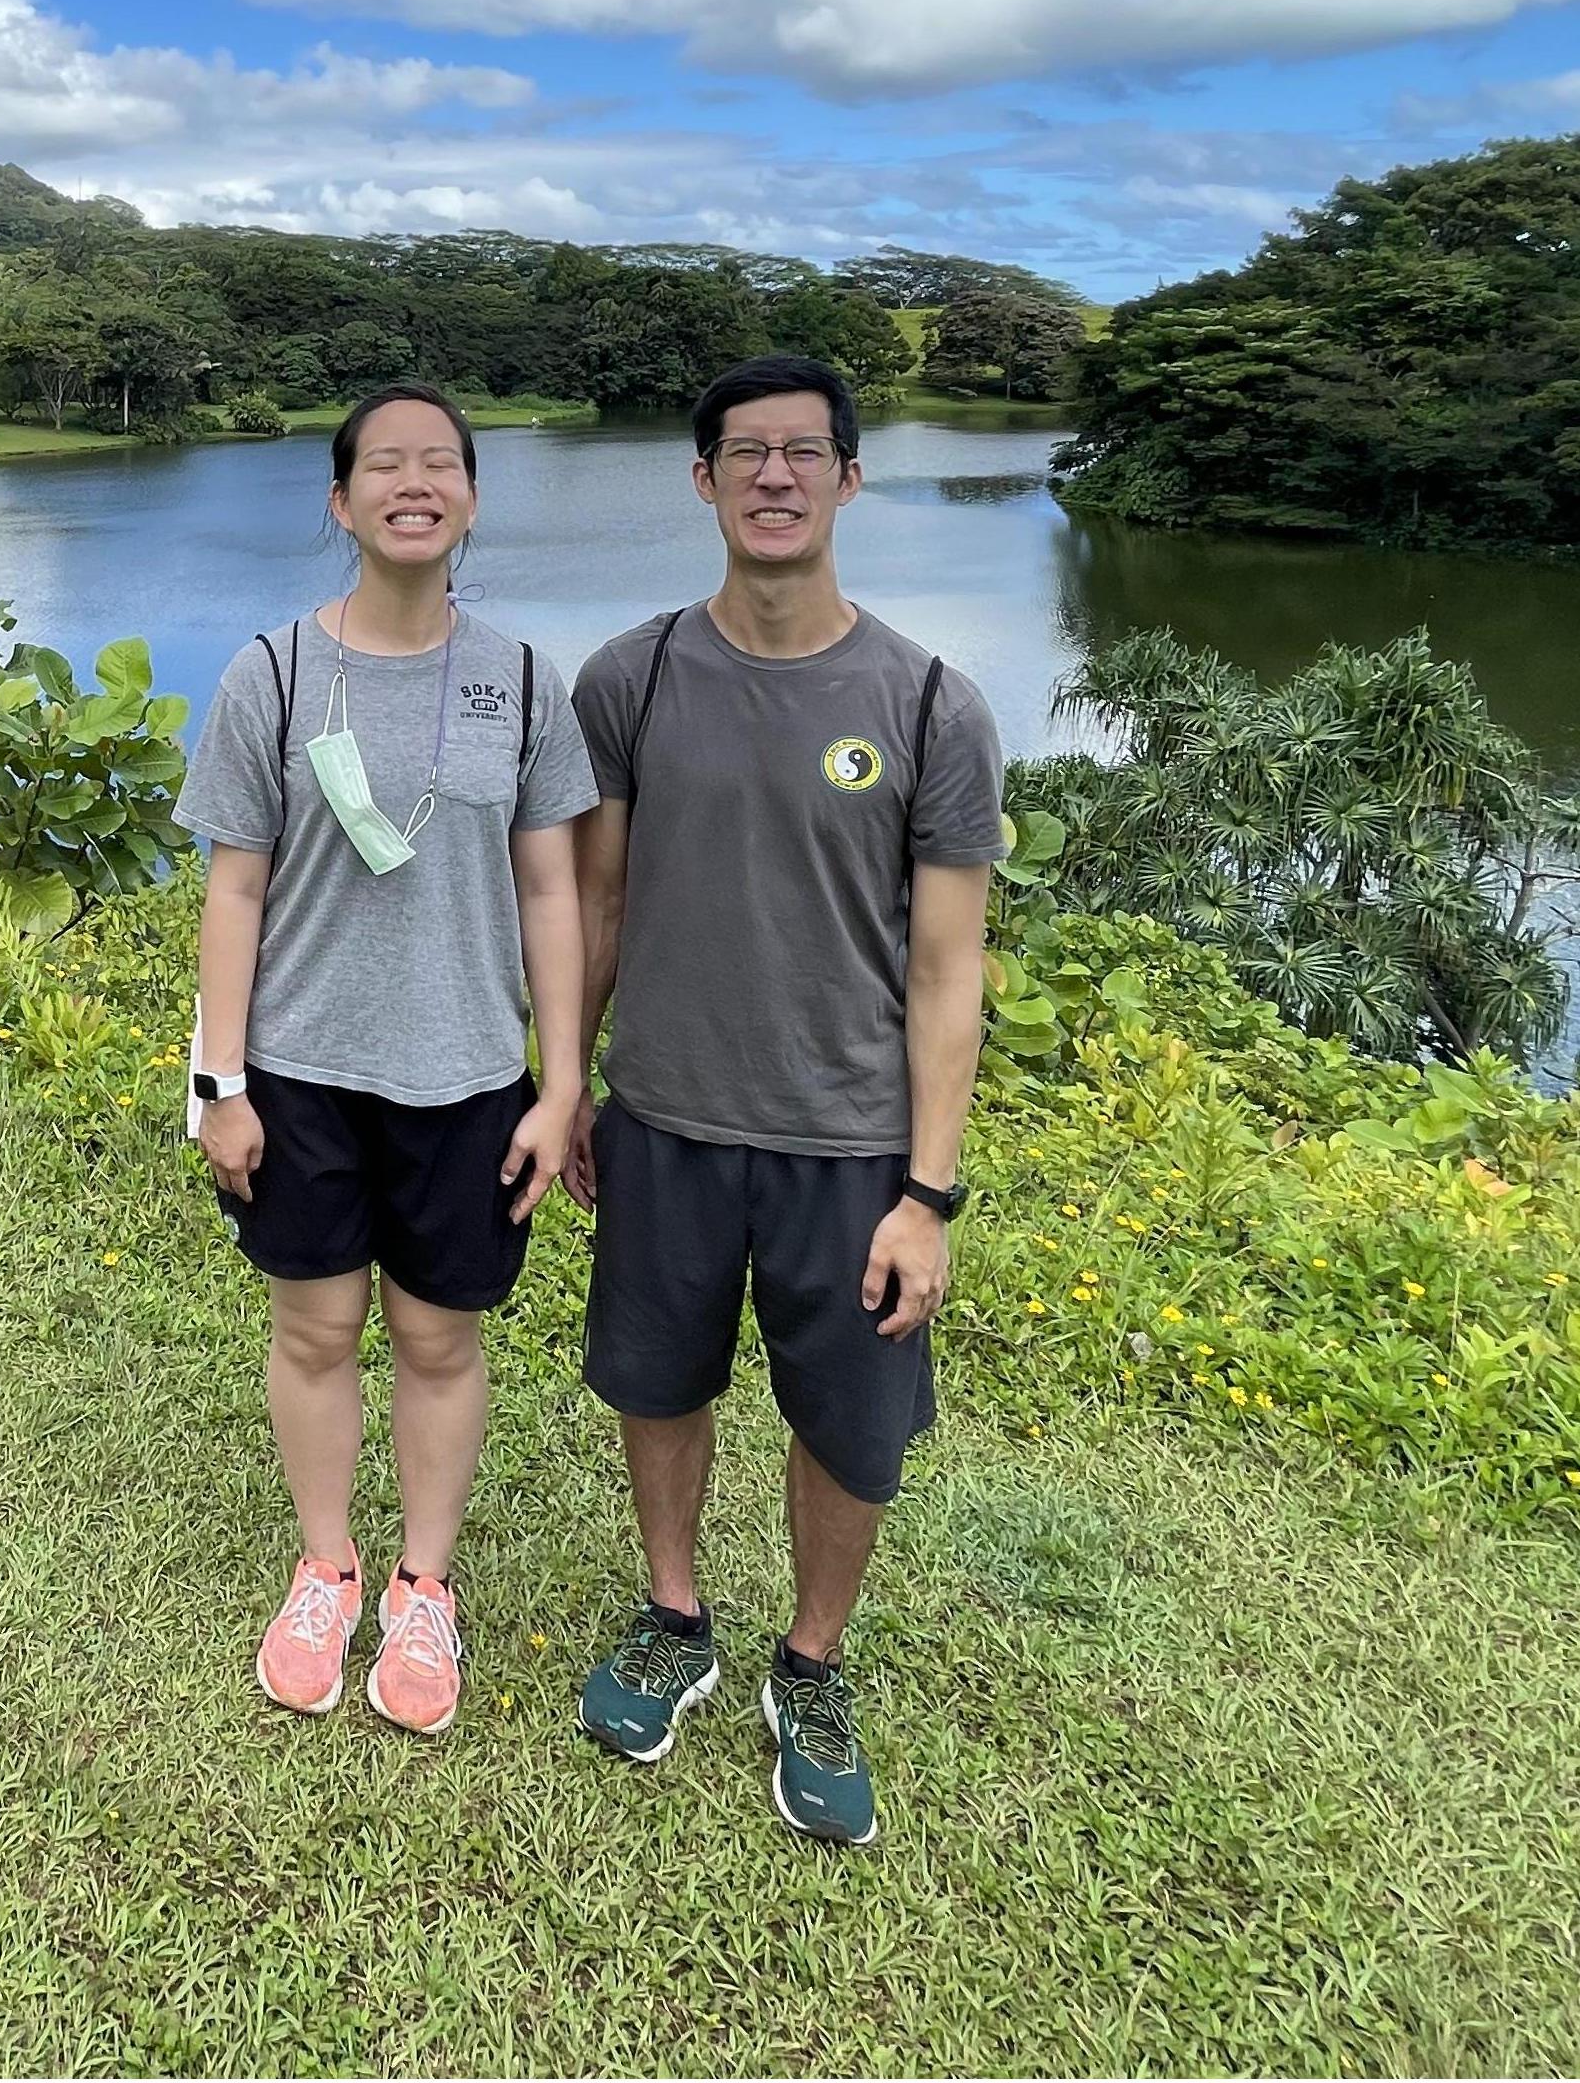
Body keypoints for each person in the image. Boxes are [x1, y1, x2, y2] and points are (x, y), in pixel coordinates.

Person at [563, 354, 1002, 1844]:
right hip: (666, 1119)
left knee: (849, 1422)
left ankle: (811, 1663)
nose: (773, 476)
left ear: (848, 479)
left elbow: (947, 971)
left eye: (803, 451)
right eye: (743, 452)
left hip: (850, 1147)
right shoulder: (630, 680)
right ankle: (673, 1614)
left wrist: (927, 1192)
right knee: (660, 1381)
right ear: (701, 480)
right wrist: (569, 1083)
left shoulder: (930, 703)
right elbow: (600, 903)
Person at [176, 383, 595, 1738]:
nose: (415, 485)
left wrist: (562, 1083)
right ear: (340, 502)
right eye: (384, 466)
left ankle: (423, 1584)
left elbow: (551, 891)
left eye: (441, 465)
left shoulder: (521, 681)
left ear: (470, 496)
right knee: (314, 1331)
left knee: (436, 1337)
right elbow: (235, 891)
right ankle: (326, 1568)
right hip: (300, 1072)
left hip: (466, 1075)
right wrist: (219, 1083)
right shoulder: (274, 674)